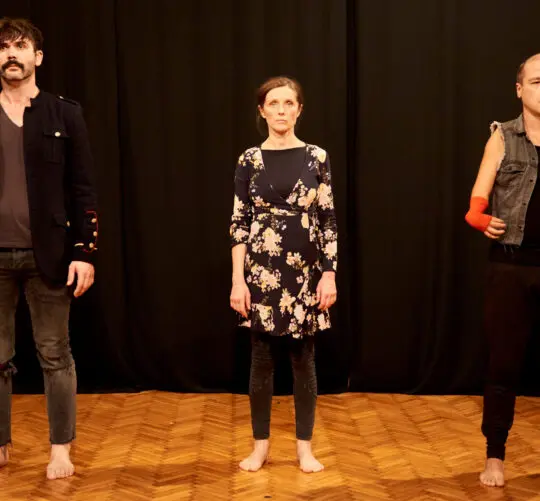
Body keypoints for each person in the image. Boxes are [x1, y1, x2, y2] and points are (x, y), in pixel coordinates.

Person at [0, 18, 98, 479]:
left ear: (37, 57)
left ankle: (61, 449)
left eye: (20, 46)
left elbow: (84, 189)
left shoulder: (64, 114)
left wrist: (85, 251)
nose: (10, 54)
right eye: (3, 46)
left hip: (52, 255)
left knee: (55, 354)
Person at [229, 76, 337, 473]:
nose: (280, 110)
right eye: (273, 103)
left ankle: (305, 448)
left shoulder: (316, 157)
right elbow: (239, 223)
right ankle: (260, 447)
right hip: (261, 273)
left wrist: (329, 275)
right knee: (261, 360)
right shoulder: (249, 160)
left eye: (288, 103)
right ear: (262, 110)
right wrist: (238, 281)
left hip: (305, 272)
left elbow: (327, 220)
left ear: (299, 110)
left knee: (303, 359)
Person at [465, 53, 540, 488]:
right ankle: (495, 456)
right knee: (503, 365)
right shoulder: (503, 138)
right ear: (519, 89)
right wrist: (479, 217)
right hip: (511, 267)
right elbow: (477, 198)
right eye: (536, 82)